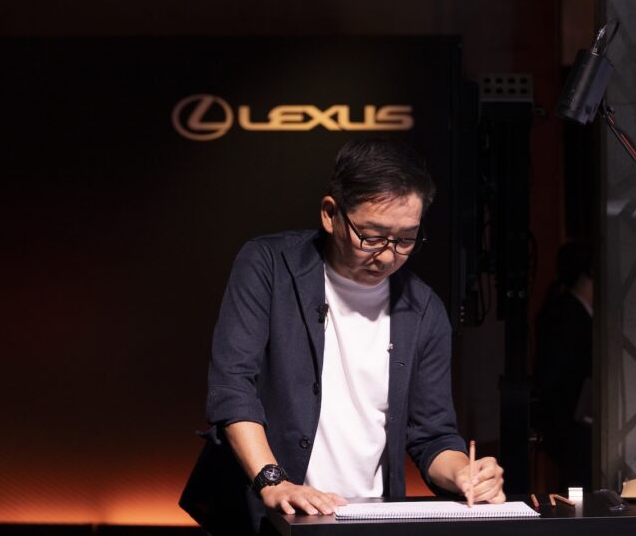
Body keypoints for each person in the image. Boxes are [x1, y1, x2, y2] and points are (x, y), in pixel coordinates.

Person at [180, 138, 505, 535]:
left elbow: (432, 435)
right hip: (263, 518)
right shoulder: (269, 266)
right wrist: (273, 481)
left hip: (366, 521)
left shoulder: (423, 310)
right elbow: (233, 389)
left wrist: (463, 473)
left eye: (406, 239)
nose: (388, 255)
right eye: (372, 236)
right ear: (331, 214)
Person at [533, 241, 593, 491]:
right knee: (577, 488)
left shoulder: (569, 310)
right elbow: (553, 375)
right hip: (569, 423)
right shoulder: (566, 314)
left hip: (572, 422)